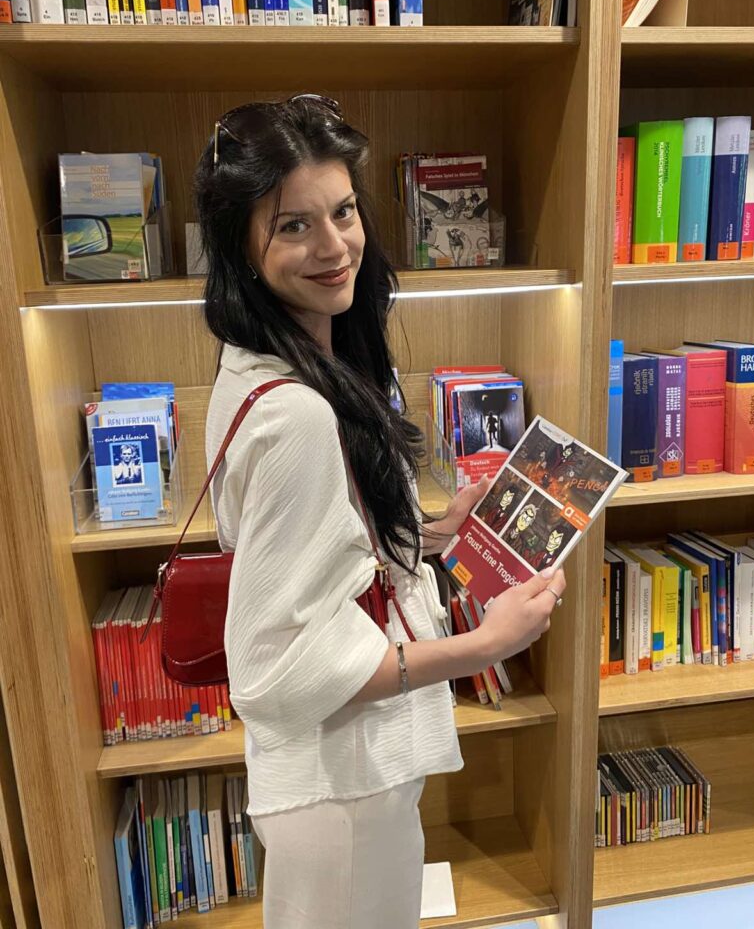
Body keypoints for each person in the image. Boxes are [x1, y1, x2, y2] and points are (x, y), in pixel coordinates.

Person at [194, 94, 566, 929]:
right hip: (341, 789)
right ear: (239, 245)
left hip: (344, 780)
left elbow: (323, 560)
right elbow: (277, 669)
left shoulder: (267, 361)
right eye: (293, 226)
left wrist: (430, 534)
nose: (334, 247)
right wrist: (485, 645)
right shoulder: (297, 414)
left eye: (343, 211)